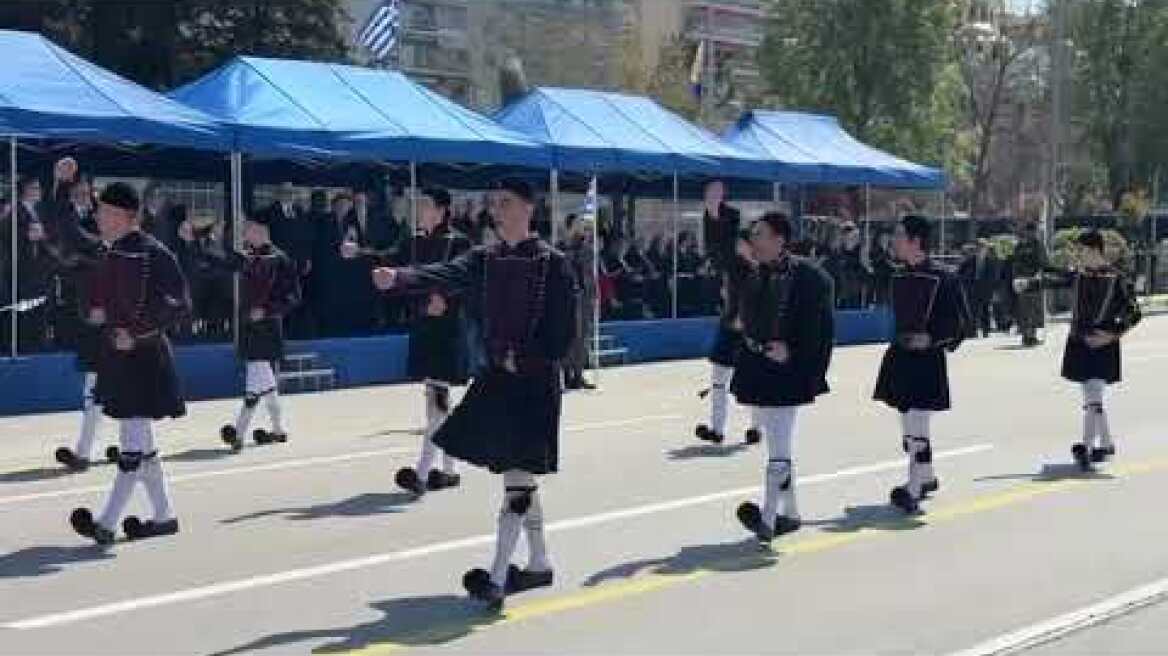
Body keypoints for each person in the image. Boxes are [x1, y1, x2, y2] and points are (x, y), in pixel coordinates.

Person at [372, 177, 576, 612]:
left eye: (505, 203)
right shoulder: (485, 258)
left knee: (518, 476)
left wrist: (529, 359)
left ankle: (499, 578)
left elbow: (564, 333)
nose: (496, 211)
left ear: (528, 208)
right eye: (493, 203)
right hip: (496, 380)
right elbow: (446, 273)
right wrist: (401, 276)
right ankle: (539, 562)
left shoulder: (553, 263)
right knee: (516, 474)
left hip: (533, 383)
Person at [70, 182, 190, 545]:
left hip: (145, 356)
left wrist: (137, 332)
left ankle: (106, 523)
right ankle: (165, 516)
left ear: (129, 217)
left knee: (131, 446)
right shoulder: (110, 252)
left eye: (107, 213)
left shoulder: (154, 252)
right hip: (118, 356)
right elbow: (100, 295)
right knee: (140, 441)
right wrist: (95, 312)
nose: (100, 218)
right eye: (99, 211)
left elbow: (178, 303)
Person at [730, 213, 834, 543]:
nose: (753, 241)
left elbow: (822, 332)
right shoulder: (753, 274)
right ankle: (791, 513)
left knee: (778, 444)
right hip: (758, 368)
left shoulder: (812, 279)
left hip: (788, 372)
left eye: (759, 235)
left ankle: (769, 517)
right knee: (779, 444)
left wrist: (793, 354)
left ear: (779, 239)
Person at [1017, 231, 1141, 470]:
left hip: (1103, 343)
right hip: (1079, 342)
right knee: (1091, 397)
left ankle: (1085, 446)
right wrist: (1028, 284)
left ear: (1094, 250)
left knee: (1093, 395)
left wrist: (1112, 335)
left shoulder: (1118, 279)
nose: (1077, 254)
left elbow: (1133, 312)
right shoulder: (1078, 275)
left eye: (1081, 250)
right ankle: (1105, 443)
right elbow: (1054, 280)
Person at [873, 215, 971, 515]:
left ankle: (912, 489)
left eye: (899, 235)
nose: (895, 240)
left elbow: (963, 323)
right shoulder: (897, 275)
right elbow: (869, 272)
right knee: (908, 427)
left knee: (917, 424)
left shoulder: (946, 277)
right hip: (900, 356)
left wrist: (931, 341)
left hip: (927, 359)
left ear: (916, 241)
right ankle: (926, 476)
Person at [383, 187, 473, 495]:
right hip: (424, 325)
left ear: (442, 210)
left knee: (437, 402)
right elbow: (399, 269)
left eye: (424, 205)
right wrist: (363, 256)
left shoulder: (459, 242)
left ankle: (421, 474)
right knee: (437, 403)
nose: (419, 210)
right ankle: (449, 470)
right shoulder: (414, 241)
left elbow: (468, 280)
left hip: (448, 328)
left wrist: (447, 301)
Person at [203, 214, 302, 452]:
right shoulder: (249, 257)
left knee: (255, 382)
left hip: (267, 327)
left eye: (248, 229)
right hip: (249, 327)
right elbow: (222, 260)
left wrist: (267, 310)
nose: (244, 233)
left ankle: (239, 433)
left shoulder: (280, 259)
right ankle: (276, 430)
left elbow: (293, 297)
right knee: (261, 382)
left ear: (261, 230)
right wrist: (204, 243)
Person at [43, 160, 119, 472]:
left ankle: (131, 448)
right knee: (98, 386)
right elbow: (64, 226)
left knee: (112, 388)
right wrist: (61, 184)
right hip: (96, 320)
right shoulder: (94, 240)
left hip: (118, 324)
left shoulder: (119, 245)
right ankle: (92, 451)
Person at [695, 180, 760, 446]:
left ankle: (757, 427)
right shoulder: (733, 264)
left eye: (745, 245)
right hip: (730, 325)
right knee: (719, 379)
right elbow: (717, 246)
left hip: (754, 330)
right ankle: (717, 429)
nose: (741, 250)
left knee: (755, 380)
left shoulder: (765, 269)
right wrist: (713, 211)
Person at [562, 214, 598, 391]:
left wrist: (594, 295)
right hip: (571, 297)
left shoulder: (586, 247)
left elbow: (590, 274)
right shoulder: (565, 247)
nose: (582, 227)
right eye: (578, 224)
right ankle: (567, 374)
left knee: (583, 337)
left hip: (585, 297)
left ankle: (578, 373)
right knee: (571, 336)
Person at [1011, 222, 1048, 347]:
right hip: (1028, 280)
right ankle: (1028, 335)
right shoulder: (1034, 245)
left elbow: (1042, 263)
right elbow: (1043, 263)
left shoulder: (1023, 246)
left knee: (1029, 309)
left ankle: (1029, 335)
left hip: (1027, 280)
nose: (1031, 234)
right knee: (1028, 309)